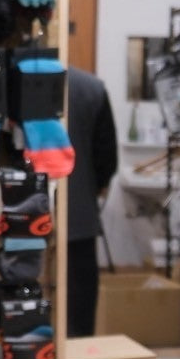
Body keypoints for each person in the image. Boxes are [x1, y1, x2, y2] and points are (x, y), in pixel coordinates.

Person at [64, 65, 117, 336]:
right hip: (79, 211)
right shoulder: (91, 88)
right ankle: (78, 348)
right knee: (79, 298)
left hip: (18, 210)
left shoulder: (15, 73)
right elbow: (106, 154)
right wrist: (93, 188)